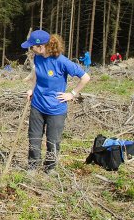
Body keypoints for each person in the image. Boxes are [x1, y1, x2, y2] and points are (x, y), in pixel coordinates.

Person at [22, 29, 90, 172]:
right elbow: (36, 76)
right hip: (37, 106)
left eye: (32, 46)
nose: (31, 49)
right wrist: (32, 89)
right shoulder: (37, 58)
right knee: (34, 138)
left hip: (56, 109)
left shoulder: (61, 61)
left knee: (53, 142)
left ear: (40, 46)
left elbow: (85, 77)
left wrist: (72, 94)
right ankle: (32, 167)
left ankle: (50, 168)